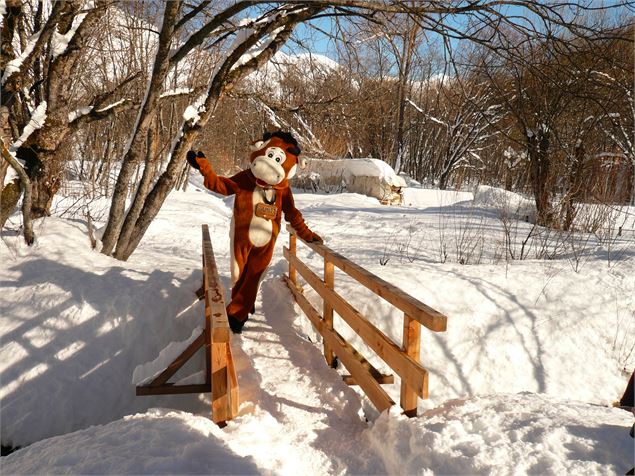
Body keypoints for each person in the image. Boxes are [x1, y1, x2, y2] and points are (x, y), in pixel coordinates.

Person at [188, 131, 321, 333]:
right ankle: (244, 306)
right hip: (242, 236)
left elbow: (292, 213)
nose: (270, 164)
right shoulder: (246, 178)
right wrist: (205, 168)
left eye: (277, 159)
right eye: (269, 155)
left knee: (254, 277)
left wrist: (307, 234)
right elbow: (222, 186)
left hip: (267, 242)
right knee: (238, 275)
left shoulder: (283, 189)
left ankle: (236, 316)